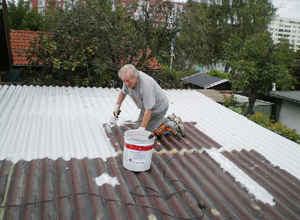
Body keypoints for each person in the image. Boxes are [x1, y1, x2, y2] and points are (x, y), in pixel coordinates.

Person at [113, 64, 185, 136]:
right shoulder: (127, 78)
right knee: (138, 128)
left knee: (149, 133)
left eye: (128, 81)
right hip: (146, 108)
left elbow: (148, 111)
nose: (126, 83)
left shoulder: (146, 86)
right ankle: (167, 119)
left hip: (158, 108)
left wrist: (142, 129)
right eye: (124, 81)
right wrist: (117, 106)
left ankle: (174, 124)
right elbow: (123, 92)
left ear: (135, 76)